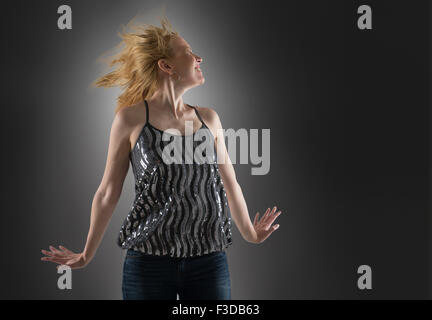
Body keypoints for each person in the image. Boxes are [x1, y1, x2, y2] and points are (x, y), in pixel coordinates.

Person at [40, 16, 282, 300]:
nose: (199, 57)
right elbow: (108, 192)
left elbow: (230, 183)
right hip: (148, 262)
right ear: (166, 66)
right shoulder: (130, 119)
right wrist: (86, 254)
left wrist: (251, 234)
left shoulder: (209, 119)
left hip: (208, 260)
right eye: (189, 52)